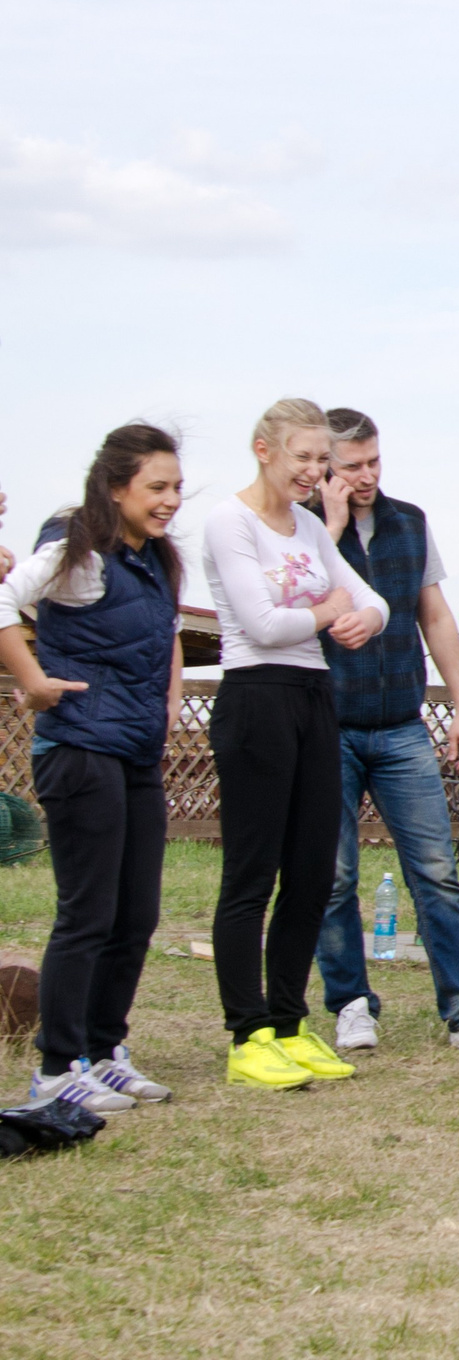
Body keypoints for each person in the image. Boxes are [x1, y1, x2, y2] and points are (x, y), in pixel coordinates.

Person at [310, 409, 459, 1055]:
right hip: (328, 726)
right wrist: (331, 530)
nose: (367, 475)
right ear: (325, 468)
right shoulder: (305, 530)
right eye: (352, 467)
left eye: (374, 462)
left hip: (401, 724)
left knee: (433, 869)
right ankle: (351, 1005)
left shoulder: (410, 522)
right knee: (335, 876)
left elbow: (435, 618)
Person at [0, 426, 188, 1113]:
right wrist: (33, 679)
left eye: (175, 487)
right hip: (79, 751)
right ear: (117, 489)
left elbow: (163, 641)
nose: (170, 500)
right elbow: (2, 599)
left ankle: (106, 1053)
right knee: (88, 913)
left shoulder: (155, 560)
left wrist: (166, 711)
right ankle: (57, 1066)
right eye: (156, 488)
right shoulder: (79, 555)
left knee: (136, 913)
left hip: (134, 755)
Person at [203, 398, 389, 1089]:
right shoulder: (231, 521)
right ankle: (245, 1032)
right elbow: (260, 622)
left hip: (315, 697)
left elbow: (374, 600)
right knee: (251, 874)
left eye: (321, 459)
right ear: (264, 450)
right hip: (256, 697)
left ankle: (287, 1020)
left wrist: (362, 616)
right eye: (302, 457)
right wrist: (329, 611)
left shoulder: (310, 526)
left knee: (314, 871)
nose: (315, 471)